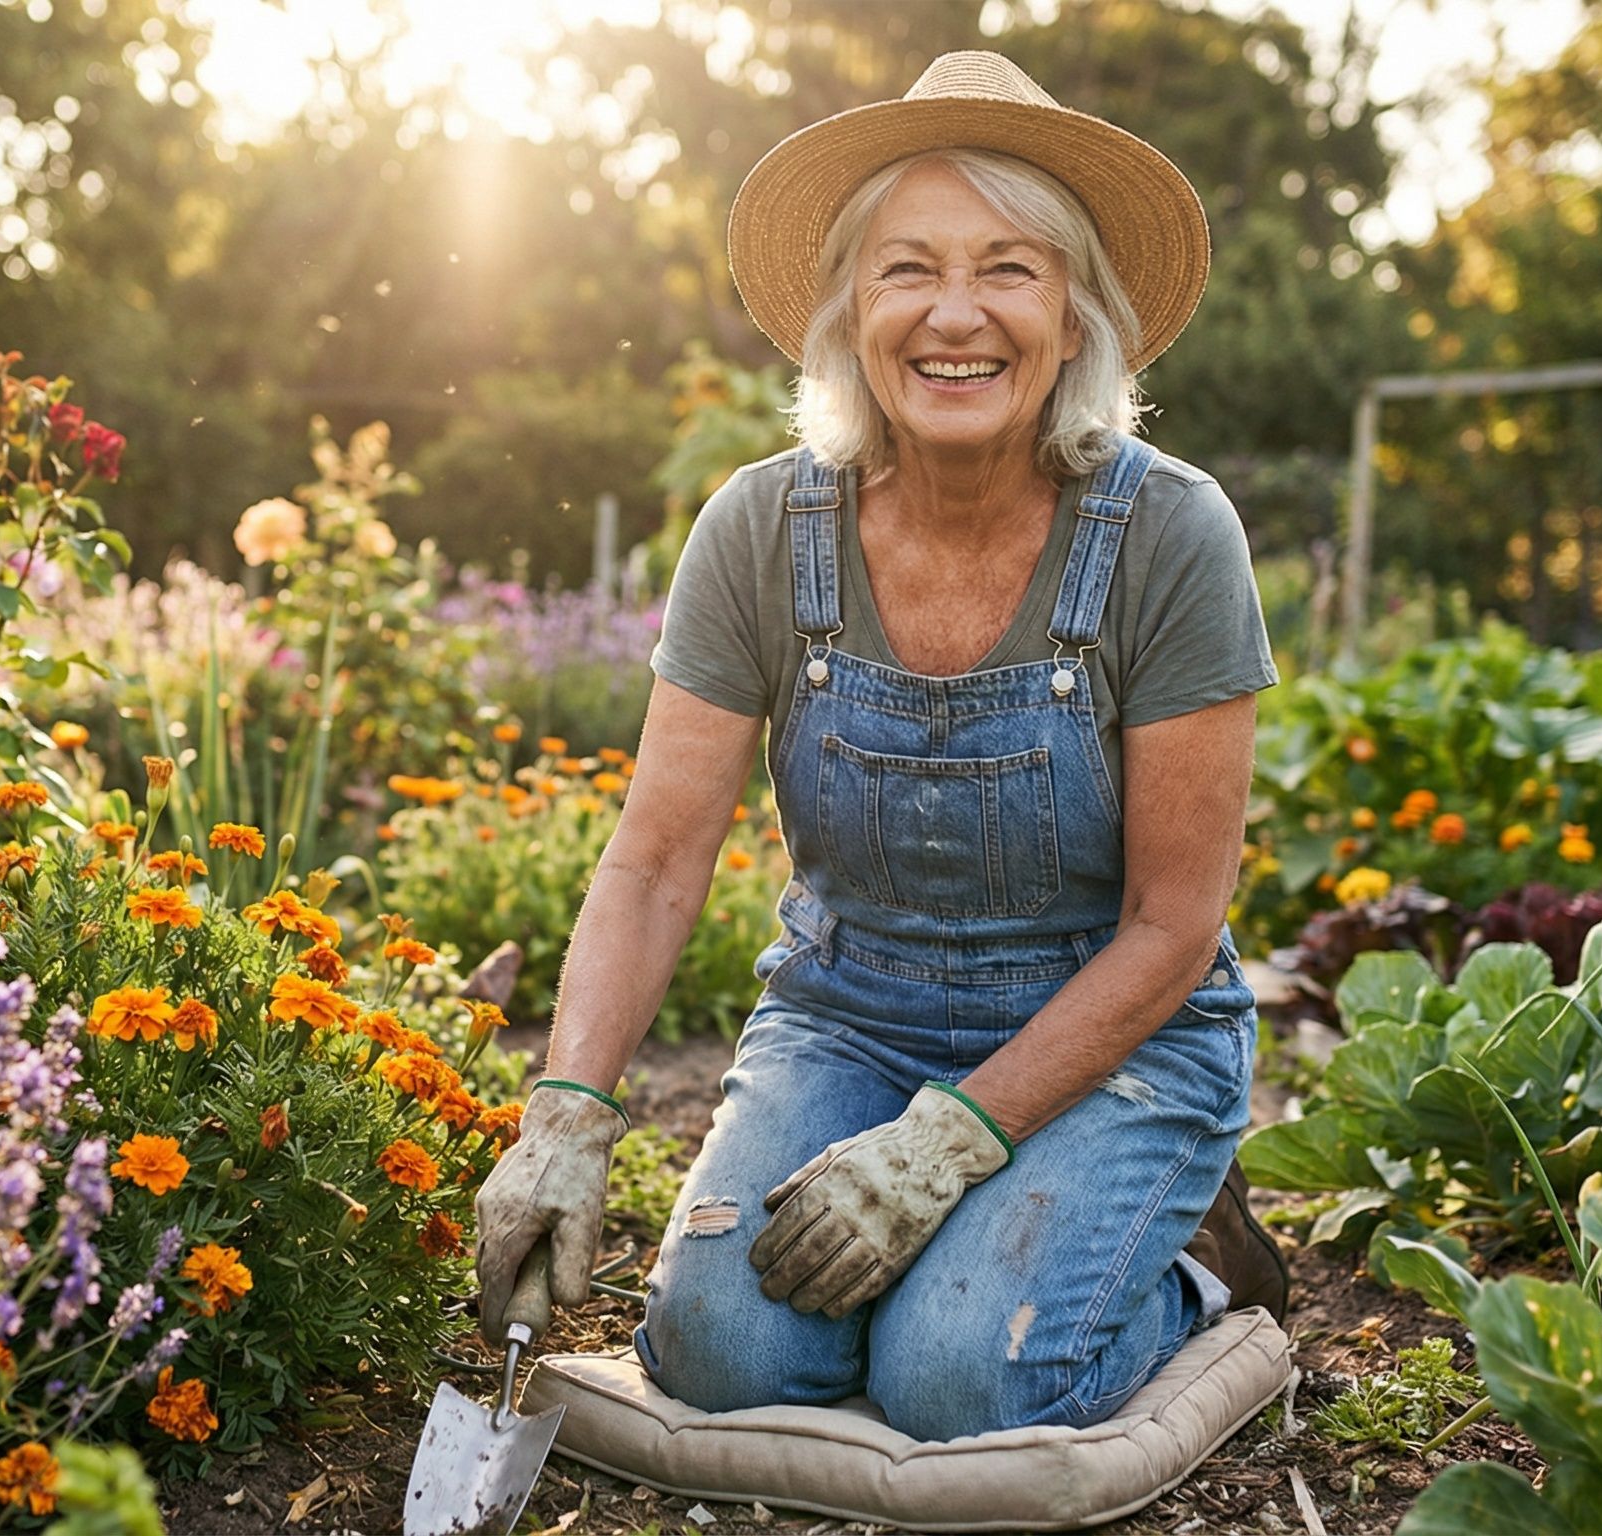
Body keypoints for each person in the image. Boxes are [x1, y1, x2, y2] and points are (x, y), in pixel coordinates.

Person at [474, 50, 1288, 1444]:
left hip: (1113, 1037)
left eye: (1009, 269)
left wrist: (954, 1141)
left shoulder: (1170, 534)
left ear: (1076, 316)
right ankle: (987, 1256)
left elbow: (1173, 926)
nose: (954, 315)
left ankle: (1193, 1262)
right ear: (850, 313)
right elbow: (656, 860)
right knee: (720, 1346)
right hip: (852, 1016)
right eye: (908, 269)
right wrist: (566, 1114)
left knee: (963, 1377)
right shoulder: (759, 530)